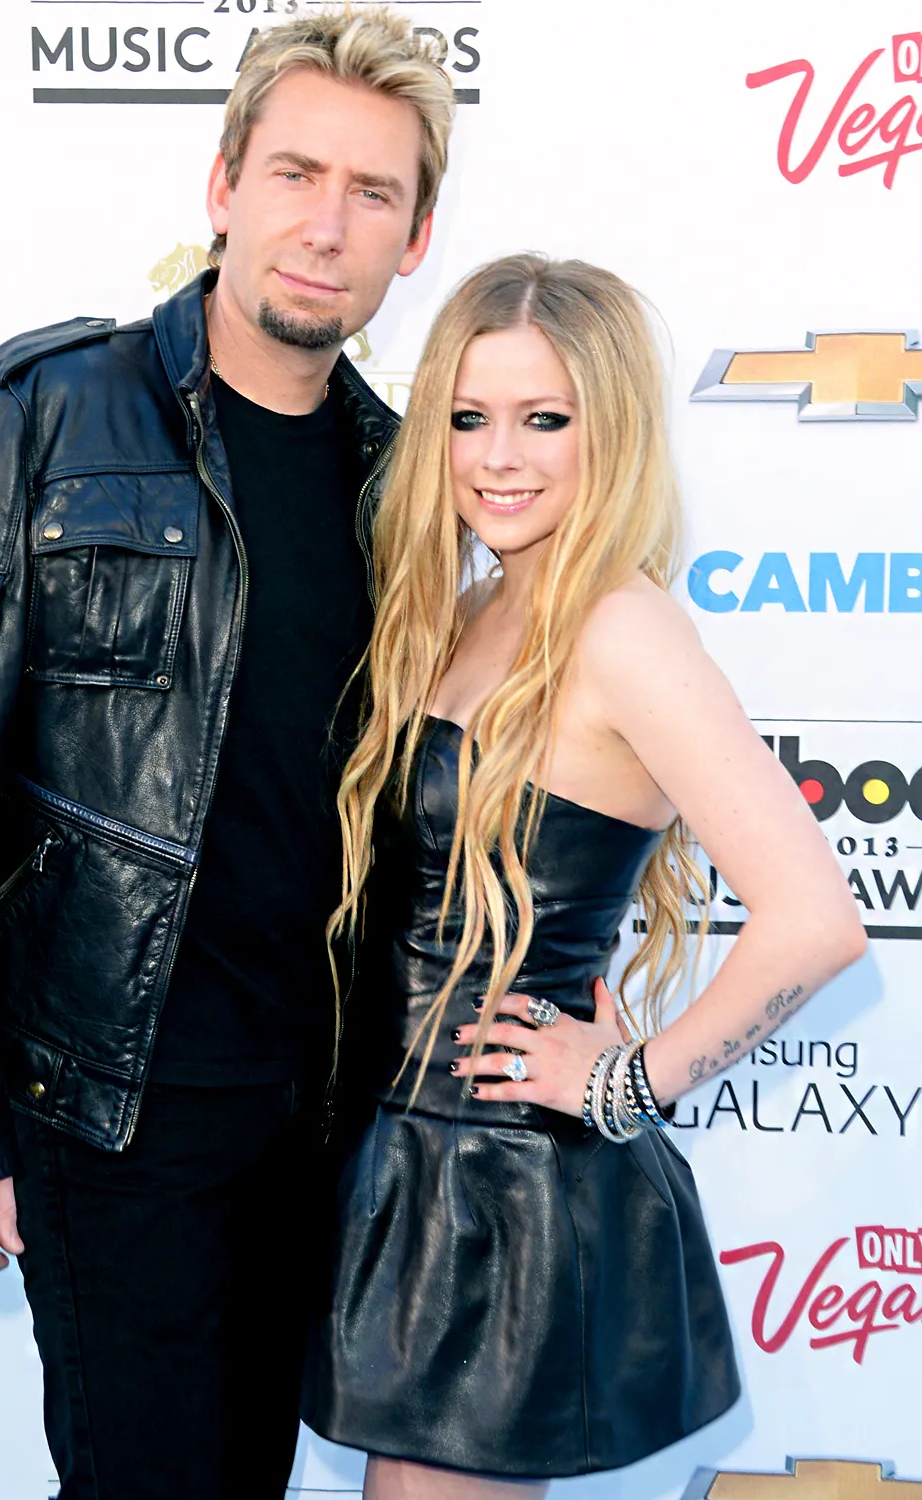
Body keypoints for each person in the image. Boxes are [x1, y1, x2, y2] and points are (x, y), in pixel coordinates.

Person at [0, 12, 455, 1498]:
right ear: (222, 185)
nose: (325, 225)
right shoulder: (48, 412)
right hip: (112, 1113)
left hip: (320, 1121)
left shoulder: (407, 483)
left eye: (370, 193)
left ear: (415, 236)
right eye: (294, 174)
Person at [302, 254, 867, 1496]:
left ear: (606, 431)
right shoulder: (467, 606)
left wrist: (624, 1080)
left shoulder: (619, 627)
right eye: (468, 417)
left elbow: (815, 920)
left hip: (501, 1188)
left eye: (543, 419)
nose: (498, 457)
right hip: (404, 1164)